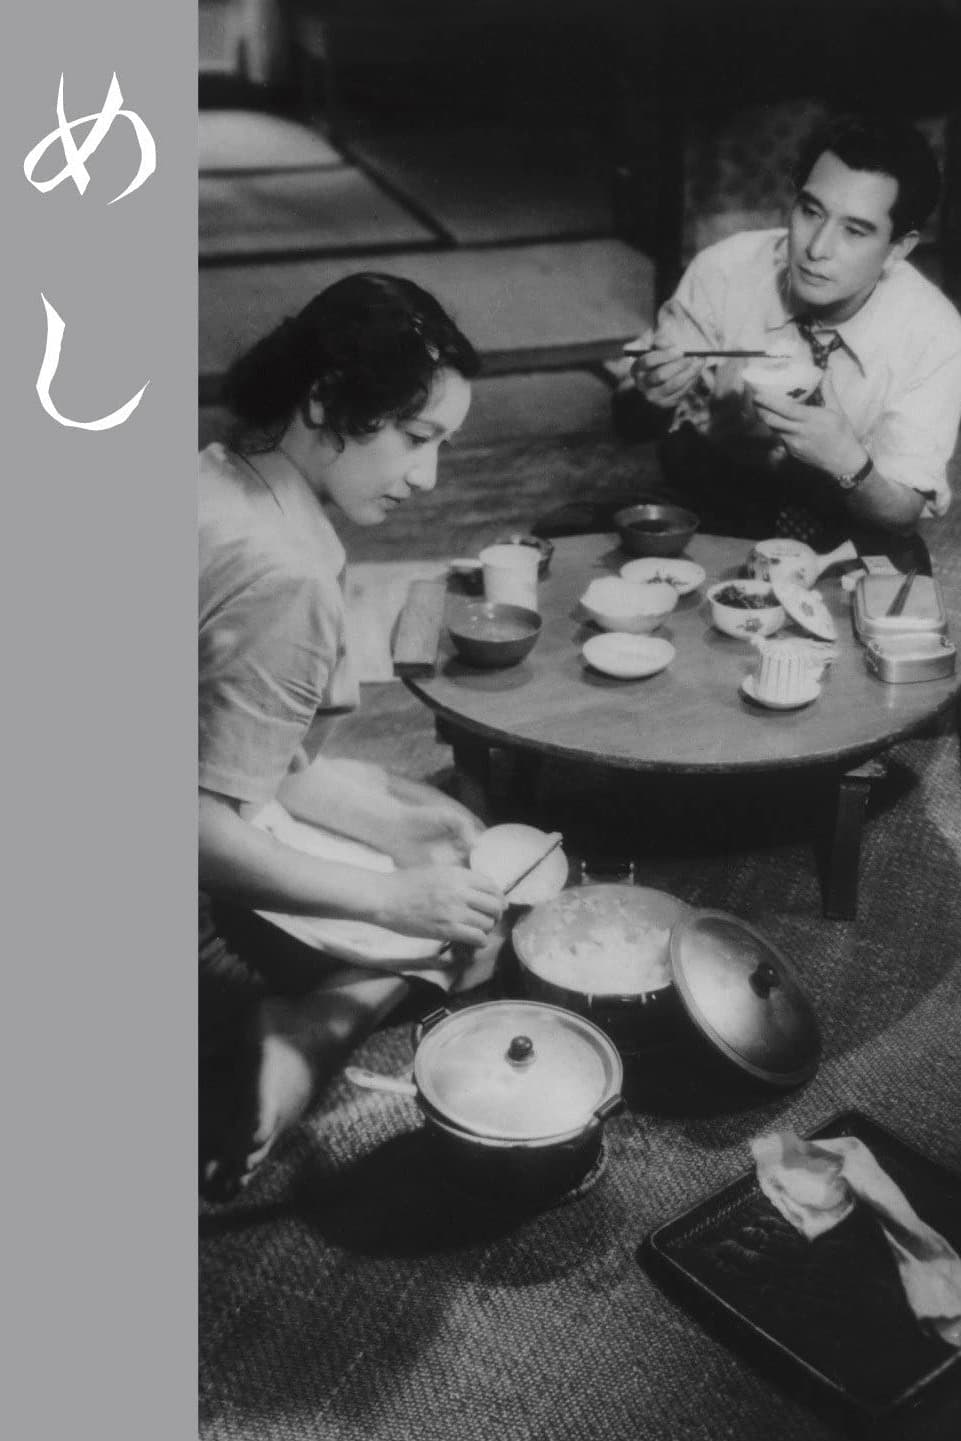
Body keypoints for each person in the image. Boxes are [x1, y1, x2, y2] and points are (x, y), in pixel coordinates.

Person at [199, 274, 506, 1201]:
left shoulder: (217, 473)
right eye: (415, 436)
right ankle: (302, 1036)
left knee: (435, 838)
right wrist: (393, 898)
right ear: (325, 399)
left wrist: (393, 827)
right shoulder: (288, 573)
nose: (428, 476)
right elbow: (196, 829)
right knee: (471, 940)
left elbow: (258, 757)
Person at [617, 112, 961, 557]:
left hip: (844, 516)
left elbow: (901, 514)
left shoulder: (935, 334)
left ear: (898, 248)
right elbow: (629, 424)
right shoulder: (728, 268)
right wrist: (650, 395)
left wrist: (848, 462)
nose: (817, 249)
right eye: (811, 212)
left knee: (899, 583)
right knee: (576, 536)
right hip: (718, 490)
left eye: (855, 231)